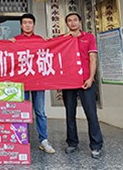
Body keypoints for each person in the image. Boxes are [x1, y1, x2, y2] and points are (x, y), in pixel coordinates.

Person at [11, 13, 55, 154]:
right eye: (25, 23)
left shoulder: (40, 40)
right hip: (22, 82)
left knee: (40, 111)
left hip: (38, 82)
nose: (27, 25)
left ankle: (43, 140)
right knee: (21, 112)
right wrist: (3, 43)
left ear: (33, 25)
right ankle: (21, 139)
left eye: (30, 22)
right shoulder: (15, 40)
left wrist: (49, 43)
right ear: (21, 25)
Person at [62, 12, 103, 159]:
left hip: (86, 81)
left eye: (75, 20)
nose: (72, 23)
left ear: (80, 22)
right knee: (70, 114)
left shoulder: (89, 37)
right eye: (69, 21)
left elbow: (93, 59)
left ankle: (96, 145)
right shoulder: (62, 39)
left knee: (91, 113)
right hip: (68, 82)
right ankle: (72, 142)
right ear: (66, 24)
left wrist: (91, 78)